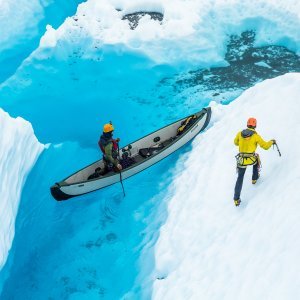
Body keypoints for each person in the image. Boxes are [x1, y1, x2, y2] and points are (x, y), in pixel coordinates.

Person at [233, 117, 275, 206]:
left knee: (240, 178)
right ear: (255, 125)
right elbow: (265, 147)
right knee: (256, 160)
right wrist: (271, 142)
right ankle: (254, 178)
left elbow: (235, 143)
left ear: (247, 124)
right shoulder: (256, 136)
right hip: (251, 159)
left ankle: (236, 199)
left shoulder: (240, 133)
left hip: (241, 160)